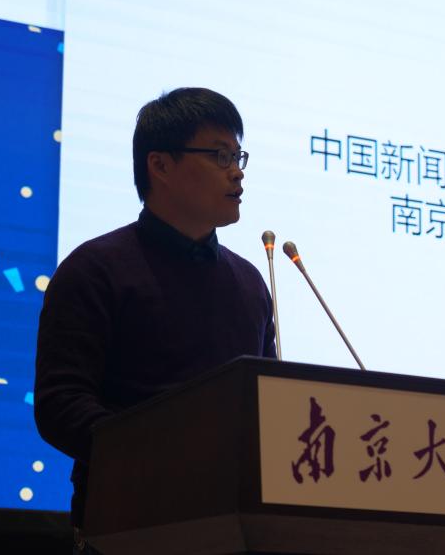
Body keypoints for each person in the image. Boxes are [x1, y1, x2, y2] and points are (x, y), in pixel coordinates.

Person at [34, 87, 277, 549]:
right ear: (160, 165)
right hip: (128, 526)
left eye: (238, 156)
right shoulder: (95, 269)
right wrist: (170, 458)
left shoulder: (250, 283)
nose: (237, 172)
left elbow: (266, 411)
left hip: (235, 530)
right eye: (220, 155)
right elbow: (60, 405)